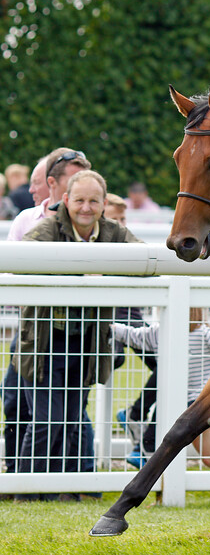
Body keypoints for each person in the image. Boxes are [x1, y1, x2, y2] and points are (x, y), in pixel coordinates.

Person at [12, 170, 140, 501]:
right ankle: (26, 492)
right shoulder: (47, 228)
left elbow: (142, 256)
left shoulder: (113, 231)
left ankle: (64, 491)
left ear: (102, 203)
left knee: (71, 418)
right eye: (79, 200)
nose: (86, 207)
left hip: (87, 340)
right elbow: (23, 258)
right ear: (65, 200)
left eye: (93, 200)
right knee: (46, 420)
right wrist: (83, 271)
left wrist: (105, 271)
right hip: (43, 339)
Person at [109, 308, 210, 506]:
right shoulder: (166, 332)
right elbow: (133, 335)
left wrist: (110, 326)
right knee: (176, 453)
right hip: (182, 405)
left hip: (196, 405)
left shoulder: (194, 333)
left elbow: (130, 334)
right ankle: (162, 497)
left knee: (201, 455)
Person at [6, 148, 90, 242]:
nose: (31, 190)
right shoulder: (24, 219)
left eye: (37, 183)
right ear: (51, 182)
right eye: (73, 182)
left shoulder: (93, 220)